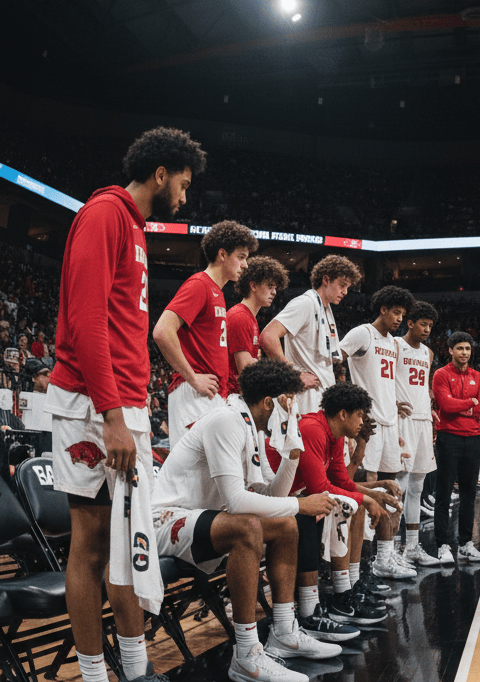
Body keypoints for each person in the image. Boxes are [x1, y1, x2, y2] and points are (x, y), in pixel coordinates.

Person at [45, 127, 206, 682]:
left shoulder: (134, 227)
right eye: (182, 184)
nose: (185, 197)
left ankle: (136, 670)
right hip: (93, 406)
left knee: (127, 543)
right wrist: (112, 415)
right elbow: (87, 321)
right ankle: (94, 675)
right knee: (91, 542)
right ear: (160, 174)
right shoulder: (104, 213)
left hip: (124, 402)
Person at [152, 359, 343, 682]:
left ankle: (284, 632)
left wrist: (292, 449)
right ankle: (245, 654)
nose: (291, 408)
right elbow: (237, 502)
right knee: (249, 526)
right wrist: (300, 504)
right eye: (288, 402)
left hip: (207, 520)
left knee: (285, 525)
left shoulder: (248, 424)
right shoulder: (226, 421)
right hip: (167, 519)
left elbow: (272, 494)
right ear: (270, 402)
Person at [263, 382, 401, 633]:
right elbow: (320, 487)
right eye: (359, 415)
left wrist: (373, 495)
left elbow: (343, 482)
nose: (362, 421)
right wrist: (367, 499)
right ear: (343, 414)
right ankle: (321, 604)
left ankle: (345, 590)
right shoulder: (313, 429)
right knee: (339, 506)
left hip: (292, 496)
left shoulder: (334, 435)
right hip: (267, 497)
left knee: (349, 503)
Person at [153, 220, 259, 448]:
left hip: (210, 395)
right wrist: (193, 377)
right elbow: (162, 331)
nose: (245, 264)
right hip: (194, 393)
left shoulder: (217, 292)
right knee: (194, 478)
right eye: (241, 257)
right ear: (222, 254)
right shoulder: (199, 285)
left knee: (210, 479)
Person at [338, 285, 416, 580]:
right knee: (363, 488)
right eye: (396, 312)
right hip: (365, 425)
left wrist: (394, 402)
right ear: (382, 309)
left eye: (402, 314)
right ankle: (359, 564)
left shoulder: (394, 344)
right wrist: (347, 399)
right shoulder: (362, 333)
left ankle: (384, 558)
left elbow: (384, 380)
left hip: (389, 421)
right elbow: (336, 359)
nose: (399, 319)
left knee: (391, 489)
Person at [260, 255, 363, 415]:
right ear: (326, 280)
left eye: (347, 287)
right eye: (342, 285)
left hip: (323, 395)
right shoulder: (305, 303)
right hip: (306, 396)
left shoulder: (326, 309)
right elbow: (268, 336)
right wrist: (293, 375)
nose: (345, 292)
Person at [432, 332, 480, 565]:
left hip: (472, 439)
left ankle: (466, 544)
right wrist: (470, 404)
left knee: (469, 493)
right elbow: (445, 404)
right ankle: (442, 545)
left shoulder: (478, 376)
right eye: (459, 348)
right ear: (450, 351)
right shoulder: (441, 374)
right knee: (444, 493)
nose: (464, 352)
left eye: (467, 348)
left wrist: (463, 407)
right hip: (448, 437)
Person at [394, 301, 442, 566]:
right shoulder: (395, 346)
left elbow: (423, 386)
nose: (426, 329)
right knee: (398, 486)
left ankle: (412, 548)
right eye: (422, 324)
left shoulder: (429, 353)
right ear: (409, 323)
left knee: (417, 487)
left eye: (430, 326)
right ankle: (388, 551)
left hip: (423, 421)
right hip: (403, 421)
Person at [225, 256, 290, 396]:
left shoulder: (249, 317)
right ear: (253, 286)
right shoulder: (239, 316)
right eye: (270, 286)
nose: (274, 292)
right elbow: (245, 369)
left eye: (275, 287)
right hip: (231, 396)